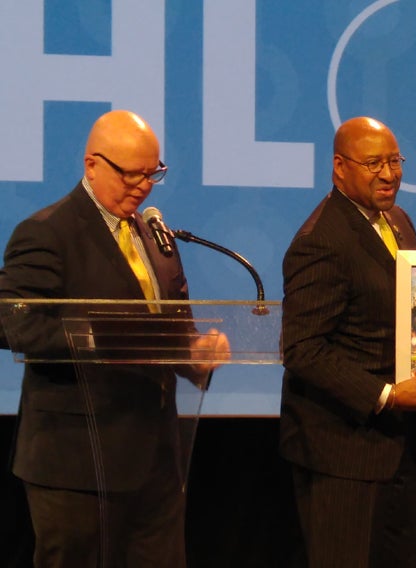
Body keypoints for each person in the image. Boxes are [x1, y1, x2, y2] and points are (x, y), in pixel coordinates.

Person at [0, 109, 229, 566]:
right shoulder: (47, 233)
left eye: (153, 173)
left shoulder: (156, 237)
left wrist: (196, 353)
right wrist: (98, 335)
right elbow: (13, 321)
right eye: (130, 174)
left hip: (158, 462)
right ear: (91, 164)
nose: (142, 185)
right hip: (76, 463)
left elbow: (170, 332)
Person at [279, 116, 416, 567]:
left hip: (400, 448)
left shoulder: (398, 222)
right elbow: (302, 348)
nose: (390, 174)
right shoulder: (320, 242)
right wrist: (387, 396)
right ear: (340, 167)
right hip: (341, 455)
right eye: (374, 163)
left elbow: (401, 302)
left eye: (395, 161)